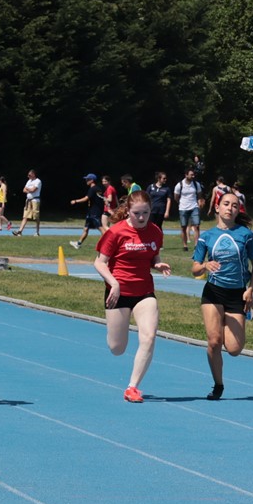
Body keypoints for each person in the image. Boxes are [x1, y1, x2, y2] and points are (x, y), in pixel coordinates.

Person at [93, 190, 170, 403]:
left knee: (149, 337)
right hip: (118, 293)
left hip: (144, 292)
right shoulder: (115, 232)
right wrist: (114, 283)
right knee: (117, 348)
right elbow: (99, 262)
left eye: (146, 212)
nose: (142, 217)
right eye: (137, 213)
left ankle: (132, 387)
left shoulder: (155, 231)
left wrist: (157, 264)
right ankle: (117, 331)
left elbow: (154, 256)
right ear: (128, 210)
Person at [191, 192, 253, 400]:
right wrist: (205, 265)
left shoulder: (245, 235)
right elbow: (194, 269)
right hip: (213, 292)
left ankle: (223, 322)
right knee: (214, 342)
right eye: (226, 204)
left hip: (237, 293)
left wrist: (250, 289)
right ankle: (218, 385)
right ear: (217, 208)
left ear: (238, 210)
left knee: (234, 349)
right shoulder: (206, 236)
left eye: (234, 205)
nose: (230, 208)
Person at [69, 173, 103, 249]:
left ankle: (111, 242)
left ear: (92, 180)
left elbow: (86, 199)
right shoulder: (97, 189)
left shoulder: (93, 189)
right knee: (86, 228)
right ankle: (78, 244)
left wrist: (75, 201)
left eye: (88, 179)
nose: (86, 181)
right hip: (91, 212)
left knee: (100, 228)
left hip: (94, 212)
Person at [173, 167, 203, 251]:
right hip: (183, 208)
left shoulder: (196, 184)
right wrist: (181, 203)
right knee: (183, 226)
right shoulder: (179, 185)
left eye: (193, 174)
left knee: (197, 225)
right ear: (186, 175)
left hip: (194, 206)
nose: (193, 176)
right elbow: (176, 197)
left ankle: (196, 245)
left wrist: (199, 202)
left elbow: (199, 195)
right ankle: (185, 245)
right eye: (191, 175)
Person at [12, 169, 41, 236]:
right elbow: (24, 190)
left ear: (33, 174)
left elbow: (33, 190)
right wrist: (29, 189)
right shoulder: (29, 181)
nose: (28, 176)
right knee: (25, 216)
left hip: (35, 200)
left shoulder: (38, 181)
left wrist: (28, 189)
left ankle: (37, 232)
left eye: (29, 175)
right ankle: (20, 231)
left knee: (36, 217)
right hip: (28, 200)